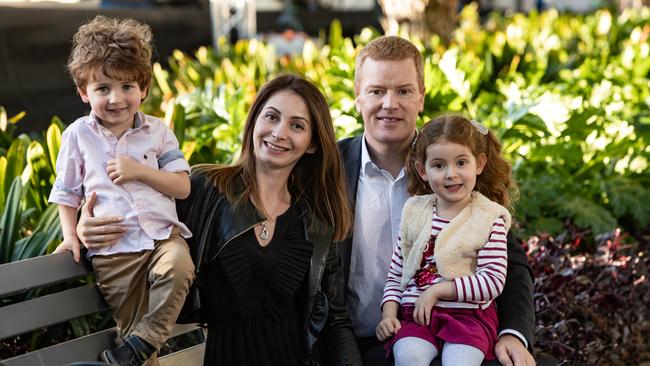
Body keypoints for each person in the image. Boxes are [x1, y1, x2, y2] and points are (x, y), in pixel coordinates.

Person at [75, 74, 363, 366]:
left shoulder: (315, 224)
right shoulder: (206, 189)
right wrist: (81, 229)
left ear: (312, 144)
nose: (279, 132)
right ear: (254, 122)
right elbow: (138, 216)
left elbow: (335, 322)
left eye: (297, 126)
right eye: (272, 117)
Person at [337, 35, 536, 366]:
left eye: (403, 91)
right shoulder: (330, 168)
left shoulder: (454, 167)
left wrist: (514, 334)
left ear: (421, 98)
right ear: (358, 97)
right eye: (376, 91)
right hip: (357, 343)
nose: (390, 103)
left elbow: (510, 265)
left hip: (457, 338)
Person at [48, 16, 194, 366]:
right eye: (103, 88)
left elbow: (183, 186)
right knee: (137, 350)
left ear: (143, 88)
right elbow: (67, 192)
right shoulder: (78, 136)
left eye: (127, 86)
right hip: (115, 253)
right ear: (84, 92)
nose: (117, 98)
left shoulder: (158, 132)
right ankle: (142, 345)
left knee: (180, 266)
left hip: (162, 238)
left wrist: (139, 171)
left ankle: (144, 341)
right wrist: (71, 236)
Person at [377, 115, 515, 365]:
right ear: (422, 171)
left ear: (479, 164)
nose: (451, 174)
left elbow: (493, 280)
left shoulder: (488, 218)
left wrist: (438, 290)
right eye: (439, 165)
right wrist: (388, 313)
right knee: (408, 356)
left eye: (461, 162)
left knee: (459, 361)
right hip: (417, 315)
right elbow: (398, 271)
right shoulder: (414, 212)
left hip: (468, 317)